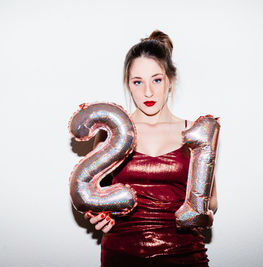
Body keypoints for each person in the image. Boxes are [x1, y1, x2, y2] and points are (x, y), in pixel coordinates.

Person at [84, 30, 218, 267]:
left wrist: (204, 215)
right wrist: (96, 214)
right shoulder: (112, 134)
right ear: (128, 84)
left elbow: (212, 202)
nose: (148, 92)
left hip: (185, 255)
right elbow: (91, 194)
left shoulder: (195, 133)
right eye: (138, 82)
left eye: (156, 79)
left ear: (170, 81)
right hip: (121, 255)